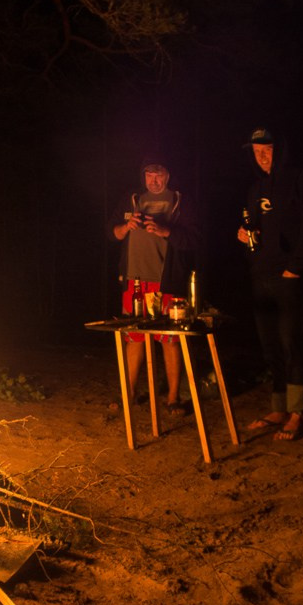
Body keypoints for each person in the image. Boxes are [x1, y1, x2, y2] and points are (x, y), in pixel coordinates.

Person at [236, 127, 303, 440]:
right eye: (256, 151)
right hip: (261, 275)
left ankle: (299, 412)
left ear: (279, 149)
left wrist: (294, 269)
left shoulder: (299, 178)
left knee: (292, 344)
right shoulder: (255, 187)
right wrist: (245, 237)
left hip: (289, 276)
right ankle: (279, 407)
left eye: (267, 150)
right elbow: (254, 227)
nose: (261, 156)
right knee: (270, 347)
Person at [107, 157, 198, 414]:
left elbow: (194, 239)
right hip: (134, 280)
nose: (154, 180)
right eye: (149, 175)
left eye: (159, 174)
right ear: (143, 176)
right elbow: (110, 232)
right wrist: (126, 226)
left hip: (166, 280)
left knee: (169, 338)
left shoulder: (181, 200)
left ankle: (172, 398)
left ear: (168, 175)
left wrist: (165, 230)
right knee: (133, 336)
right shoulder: (132, 198)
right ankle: (130, 393)